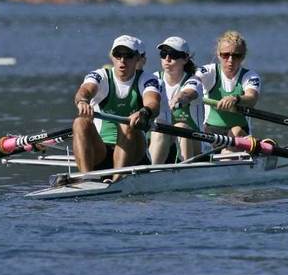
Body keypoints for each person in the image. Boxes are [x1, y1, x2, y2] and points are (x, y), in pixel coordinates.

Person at [72, 35, 162, 177]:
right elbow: (85, 90)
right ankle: (86, 178)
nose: (122, 60)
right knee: (80, 122)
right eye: (118, 55)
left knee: (125, 122)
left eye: (128, 56)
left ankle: (118, 180)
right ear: (112, 57)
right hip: (101, 152)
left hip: (135, 153)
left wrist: (144, 112)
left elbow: (153, 102)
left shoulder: (148, 79)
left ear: (138, 58)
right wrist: (83, 100)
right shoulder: (100, 76)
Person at [196, 31, 261, 152]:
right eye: (225, 55)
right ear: (218, 54)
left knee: (235, 131)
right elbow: (192, 82)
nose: (230, 60)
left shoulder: (250, 76)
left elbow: (251, 99)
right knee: (202, 129)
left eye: (236, 56)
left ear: (243, 57)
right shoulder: (209, 71)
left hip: (239, 131)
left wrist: (235, 98)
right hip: (211, 130)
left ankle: (225, 156)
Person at [148, 36, 205, 163]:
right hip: (163, 140)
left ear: (185, 59)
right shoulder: (153, 79)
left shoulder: (193, 81)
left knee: (180, 126)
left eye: (173, 55)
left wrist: (178, 98)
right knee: (160, 127)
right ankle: (150, 174)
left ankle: (186, 173)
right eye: (163, 54)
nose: (167, 59)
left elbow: (188, 93)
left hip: (195, 143)